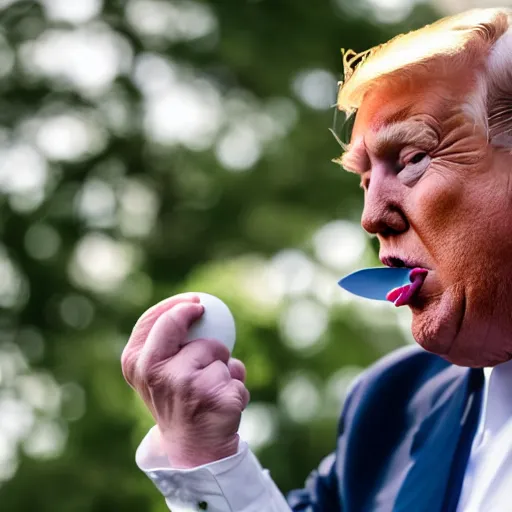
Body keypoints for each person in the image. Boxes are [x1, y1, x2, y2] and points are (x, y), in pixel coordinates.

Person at [121, 7, 512, 511]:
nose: (372, 216)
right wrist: (203, 453)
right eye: (366, 181)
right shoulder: (389, 410)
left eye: (412, 159)